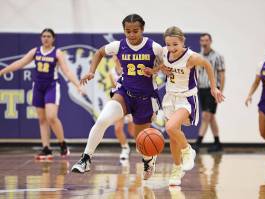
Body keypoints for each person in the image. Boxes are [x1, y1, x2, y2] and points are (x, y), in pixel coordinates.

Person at [71, 14, 163, 180]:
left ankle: (149, 160)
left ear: (142, 29)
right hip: (124, 93)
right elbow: (99, 52)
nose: (132, 34)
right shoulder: (118, 45)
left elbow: (167, 64)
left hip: (145, 98)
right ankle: (86, 158)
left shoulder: (154, 47)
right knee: (102, 120)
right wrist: (92, 71)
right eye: (128, 31)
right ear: (124, 31)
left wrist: (155, 71)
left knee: (142, 141)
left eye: (135, 31)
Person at [0, 28, 82, 159]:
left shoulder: (57, 53)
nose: (46, 38)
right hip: (38, 87)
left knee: (51, 117)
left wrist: (78, 85)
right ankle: (46, 148)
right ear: (41, 38)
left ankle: (62, 144)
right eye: (44, 36)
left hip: (51, 86)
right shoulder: (35, 51)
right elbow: (19, 63)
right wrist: (2, 71)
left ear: (53, 39)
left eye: (49, 36)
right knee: (42, 119)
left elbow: (67, 71)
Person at [159, 26, 224, 186]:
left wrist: (213, 87)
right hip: (169, 97)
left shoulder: (191, 57)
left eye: (175, 44)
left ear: (182, 42)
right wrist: (159, 69)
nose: (172, 48)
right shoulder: (163, 52)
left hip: (185, 99)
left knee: (170, 127)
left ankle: (188, 150)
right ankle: (177, 168)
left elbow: (208, 65)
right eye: (168, 44)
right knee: (174, 136)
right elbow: (161, 67)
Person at [192, 33, 226, 153]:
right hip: (201, 89)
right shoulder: (198, 56)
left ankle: (198, 143)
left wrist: (220, 91)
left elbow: (222, 75)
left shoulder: (218, 57)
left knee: (206, 116)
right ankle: (217, 142)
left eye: (206, 40)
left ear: (210, 41)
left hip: (212, 89)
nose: (204, 42)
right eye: (202, 40)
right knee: (210, 117)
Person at [108, 55, 134, 161]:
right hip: (119, 102)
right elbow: (113, 89)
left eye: (119, 55)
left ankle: (145, 149)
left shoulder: (130, 69)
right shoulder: (111, 72)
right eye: (115, 55)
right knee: (118, 128)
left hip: (132, 101)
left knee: (133, 132)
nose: (117, 58)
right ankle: (125, 148)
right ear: (113, 58)